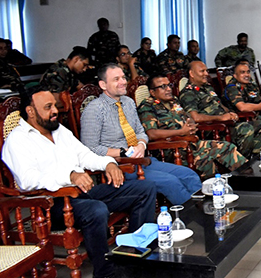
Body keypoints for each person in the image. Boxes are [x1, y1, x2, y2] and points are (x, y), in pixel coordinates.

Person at [2, 86, 157, 278]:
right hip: (50, 206)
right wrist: (70, 176)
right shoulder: (18, 140)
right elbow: (28, 181)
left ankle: (134, 256)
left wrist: (108, 164)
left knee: (145, 188)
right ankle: (103, 274)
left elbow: (85, 155)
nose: (55, 111)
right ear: (30, 111)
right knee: (96, 209)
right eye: (48, 107)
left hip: (81, 194)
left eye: (55, 106)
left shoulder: (59, 130)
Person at [80, 64, 201, 205]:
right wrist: (122, 152)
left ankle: (203, 211)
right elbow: (90, 149)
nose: (123, 82)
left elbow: (140, 132)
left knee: (188, 175)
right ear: (103, 85)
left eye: (123, 78)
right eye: (116, 79)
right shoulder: (94, 110)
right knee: (171, 182)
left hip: (142, 160)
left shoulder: (128, 102)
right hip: (120, 166)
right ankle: (192, 215)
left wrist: (141, 145)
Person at [138, 74, 246, 178]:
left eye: (169, 85)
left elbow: (188, 119)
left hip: (191, 145)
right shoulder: (147, 106)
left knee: (227, 147)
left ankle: (246, 178)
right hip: (172, 150)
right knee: (205, 159)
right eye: (163, 87)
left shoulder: (173, 101)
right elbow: (151, 134)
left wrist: (192, 125)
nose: (168, 89)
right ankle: (209, 187)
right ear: (152, 92)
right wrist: (181, 132)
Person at [178, 61, 256, 158]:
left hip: (225, 123)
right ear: (191, 73)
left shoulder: (208, 87)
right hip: (212, 129)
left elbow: (220, 105)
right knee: (246, 129)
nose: (206, 74)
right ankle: (241, 161)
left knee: (257, 124)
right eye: (202, 71)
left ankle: (250, 158)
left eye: (206, 71)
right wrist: (220, 118)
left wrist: (230, 113)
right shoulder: (188, 93)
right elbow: (195, 117)